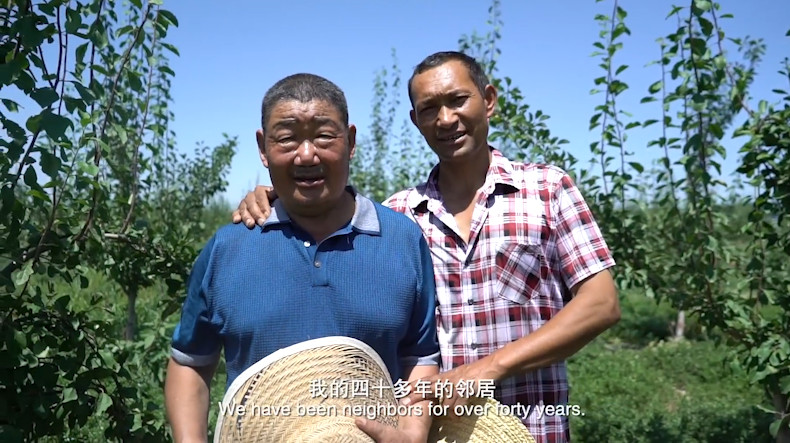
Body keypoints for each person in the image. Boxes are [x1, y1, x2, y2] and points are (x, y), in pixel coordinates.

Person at [232, 52, 620, 442]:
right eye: (429, 109)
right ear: (416, 120)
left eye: (458, 100)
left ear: (488, 100)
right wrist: (281, 197)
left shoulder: (547, 190)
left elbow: (601, 304)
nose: (446, 119)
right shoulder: (398, 217)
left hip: (532, 428)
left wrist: (487, 369)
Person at [165, 73, 440, 443]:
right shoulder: (228, 248)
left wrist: (413, 432)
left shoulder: (402, 240)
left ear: (351, 141)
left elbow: (419, 358)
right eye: (287, 138)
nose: (307, 154)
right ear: (263, 147)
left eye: (324, 136)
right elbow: (190, 362)